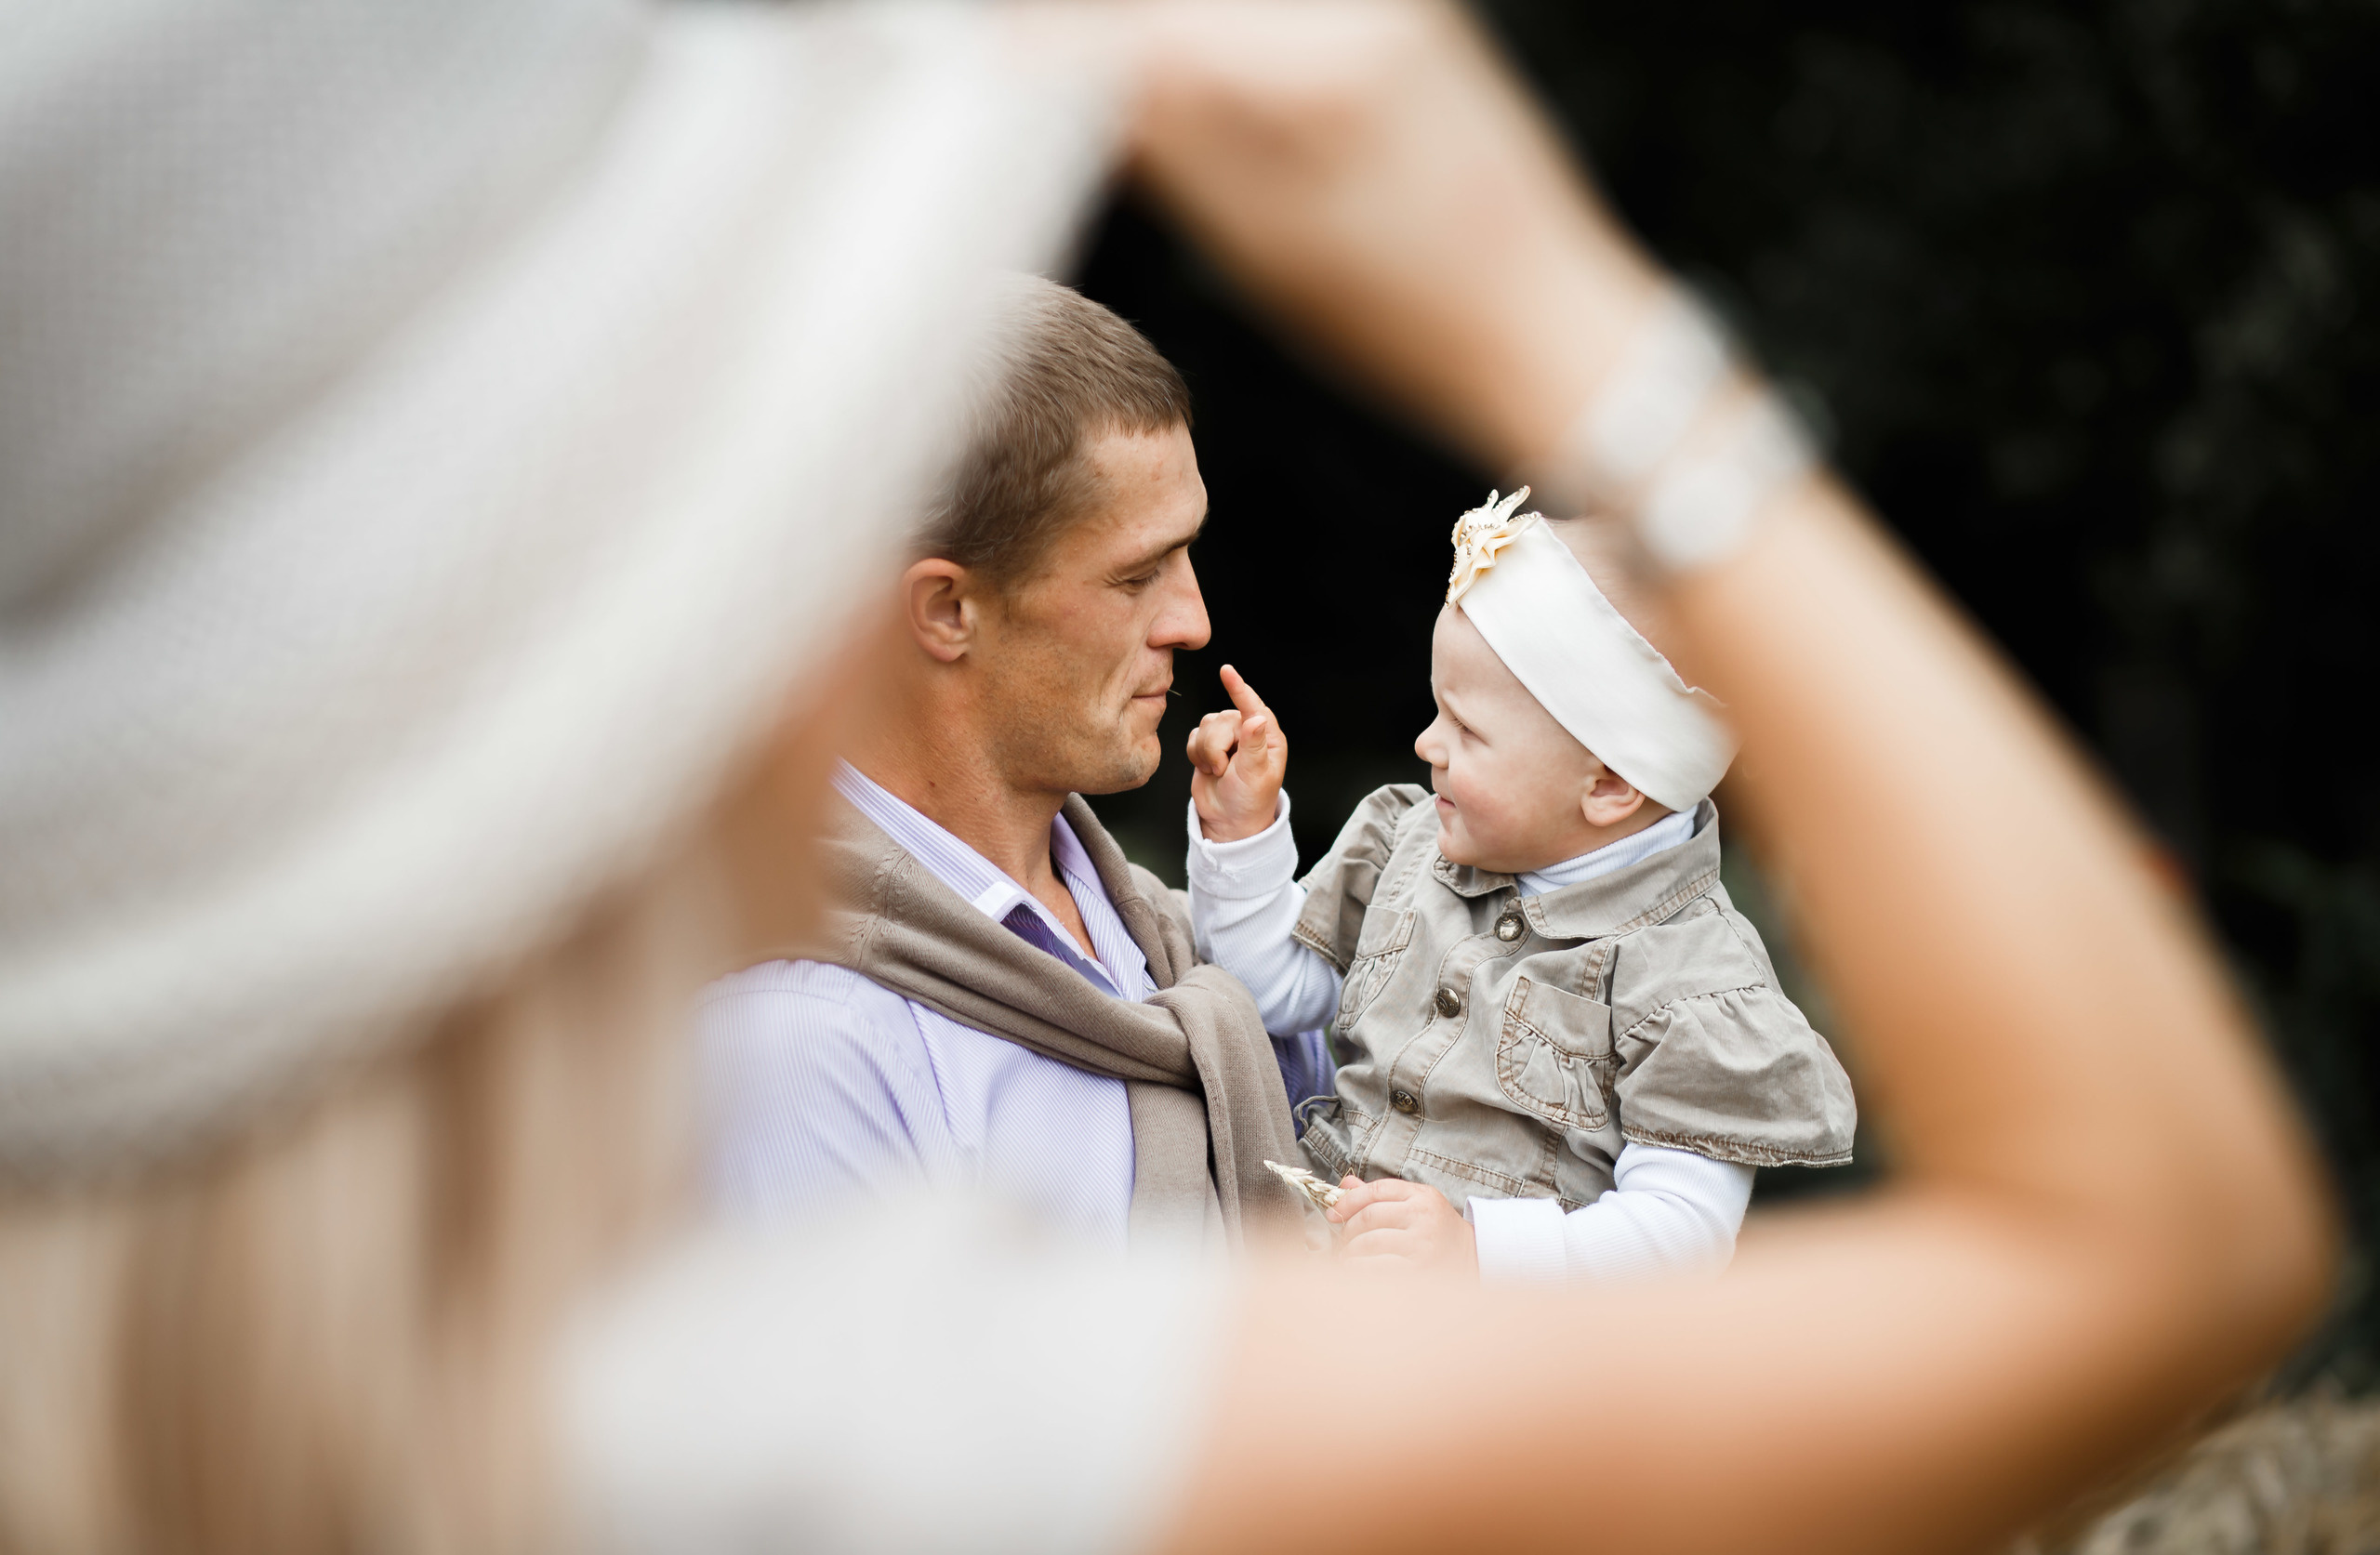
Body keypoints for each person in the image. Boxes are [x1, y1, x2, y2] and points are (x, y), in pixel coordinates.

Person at [0, 5, 2334, 1555]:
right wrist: (1545, 305)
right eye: (748, 503)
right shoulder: (723, 1366)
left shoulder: (1082, 957)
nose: (1202, 622)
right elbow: (2163, 1241)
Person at [699, 277, 1319, 1250]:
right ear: (948, 610)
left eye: (1187, 554)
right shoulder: (802, 1042)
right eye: (1135, 575)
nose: (1193, 621)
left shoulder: (1160, 931)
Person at [1185, 488, 1854, 1282]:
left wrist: (1478, 1251)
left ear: (1608, 785)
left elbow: (1679, 1233)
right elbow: (1273, 993)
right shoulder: (1410, 846)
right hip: (1307, 1269)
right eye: (1438, 710)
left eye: (1467, 729)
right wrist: (1243, 839)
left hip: (1499, 1336)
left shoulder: (1692, 981)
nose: (1427, 742)